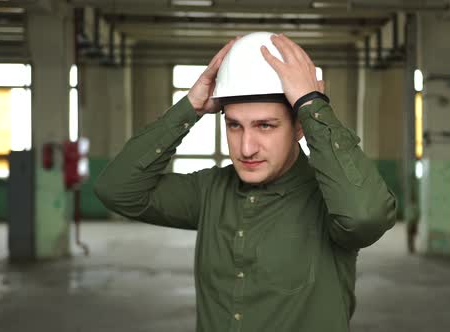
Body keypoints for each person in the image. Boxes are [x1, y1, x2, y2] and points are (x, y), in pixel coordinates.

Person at [94, 32, 397, 332]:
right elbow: (116, 189)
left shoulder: (330, 202)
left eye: (265, 126)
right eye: (234, 126)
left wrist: (312, 107)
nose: (246, 147)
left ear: (300, 128)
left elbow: (365, 217)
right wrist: (190, 107)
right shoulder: (210, 190)